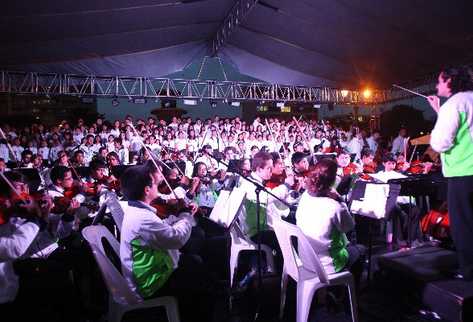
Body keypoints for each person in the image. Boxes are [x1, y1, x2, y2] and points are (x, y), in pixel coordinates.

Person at [119, 164, 223, 322]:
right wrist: (185, 215)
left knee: (196, 263)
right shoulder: (141, 218)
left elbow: (163, 229)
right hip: (151, 283)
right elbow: (177, 239)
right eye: (154, 184)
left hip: (157, 270)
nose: (158, 186)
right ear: (147, 190)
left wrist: (181, 216)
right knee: (200, 278)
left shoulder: (138, 210)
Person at [427, 66, 473, 280]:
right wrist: (440, 111)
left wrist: (441, 113)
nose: (437, 85)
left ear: (449, 82)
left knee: (463, 224)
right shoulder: (467, 100)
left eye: (439, 81)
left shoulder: (453, 105)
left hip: (463, 172)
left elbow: (440, 142)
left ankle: (469, 273)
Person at [296, 158, 364, 288]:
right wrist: (340, 200)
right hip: (326, 265)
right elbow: (349, 226)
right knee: (359, 250)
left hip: (305, 259)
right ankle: (347, 296)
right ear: (332, 182)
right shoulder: (334, 206)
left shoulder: (305, 195)